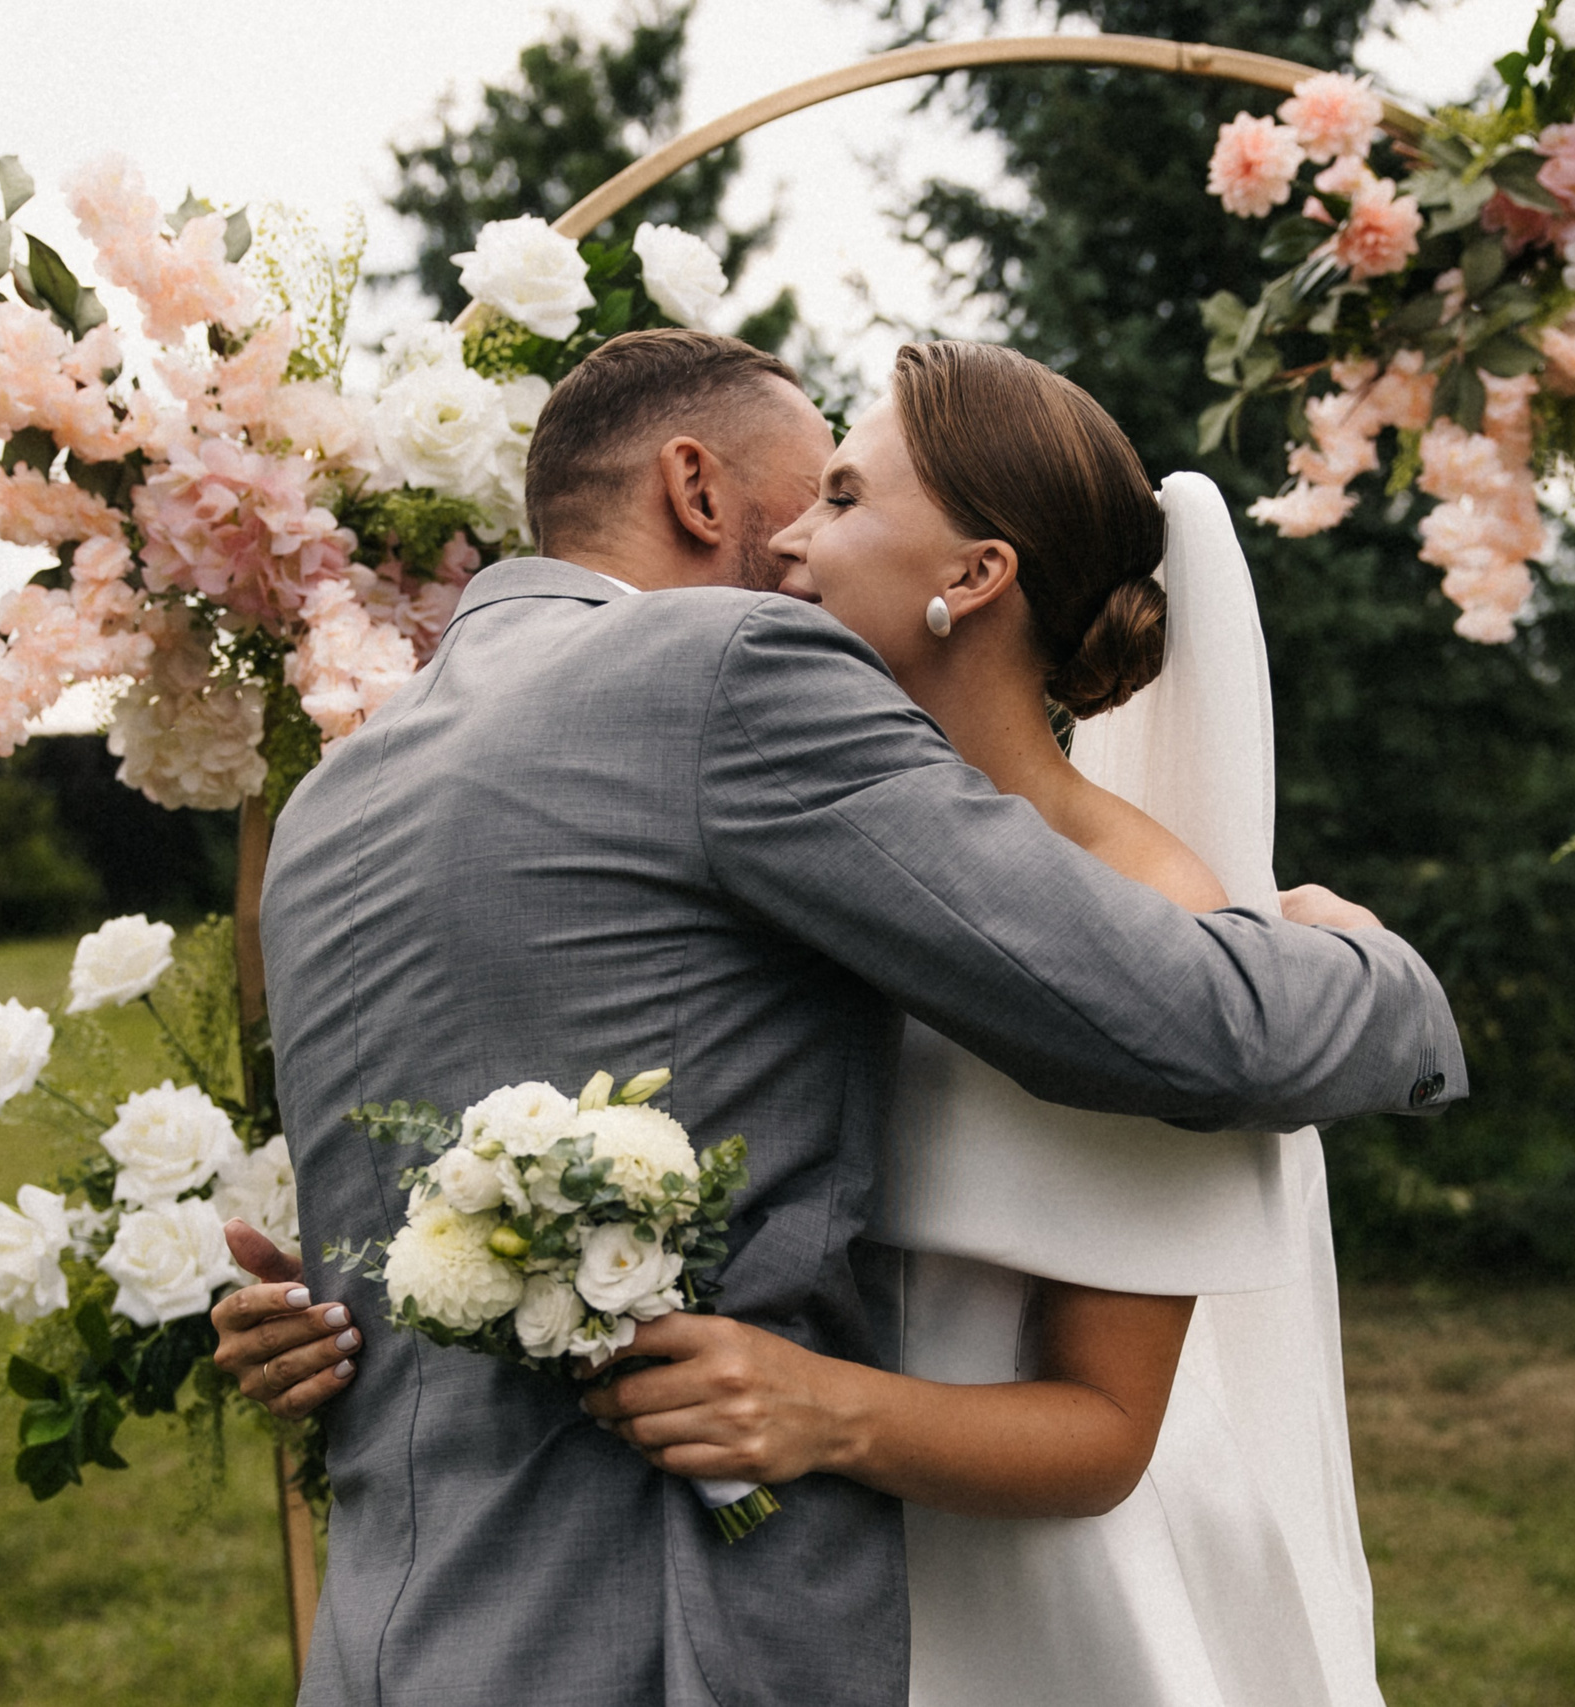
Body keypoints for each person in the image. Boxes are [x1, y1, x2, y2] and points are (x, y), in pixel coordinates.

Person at [226, 328, 1461, 1707]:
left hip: (403, 1641)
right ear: (699, 493)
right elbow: (1189, 1022)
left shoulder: (335, 801)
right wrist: (1372, 969)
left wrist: (294, 1322)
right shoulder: (721, 670)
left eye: (849, 501)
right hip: (674, 1630)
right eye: (815, 489)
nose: (808, 542)